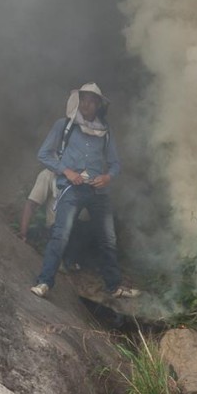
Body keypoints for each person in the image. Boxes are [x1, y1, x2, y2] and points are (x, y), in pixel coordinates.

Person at [30, 82, 140, 299]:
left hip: (97, 192)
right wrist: (67, 171)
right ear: (78, 101)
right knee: (60, 235)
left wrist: (107, 177)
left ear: (99, 105)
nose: (87, 104)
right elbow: (44, 154)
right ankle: (44, 282)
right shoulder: (64, 126)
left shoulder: (105, 132)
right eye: (84, 100)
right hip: (71, 189)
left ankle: (114, 286)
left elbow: (116, 164)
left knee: (108, 238)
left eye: (92, 101)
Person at [19, 167, 83, 271]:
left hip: (78, 227)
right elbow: (31, 204)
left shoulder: (83, 172)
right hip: (57, 226)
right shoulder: (48, 174)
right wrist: (23, 233)